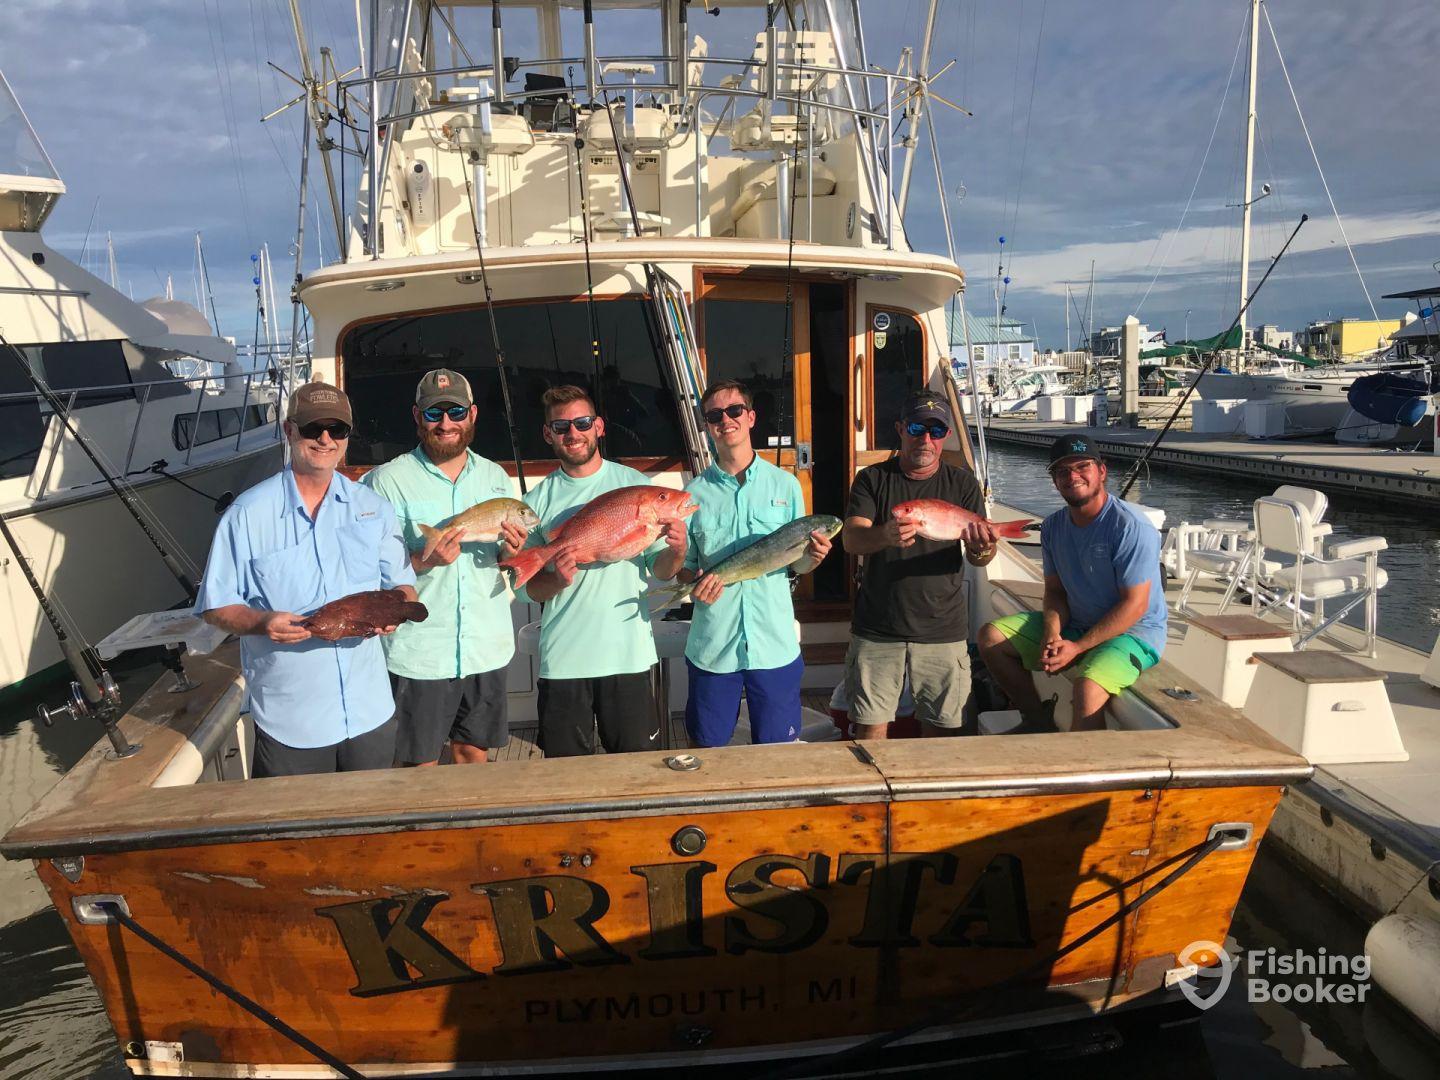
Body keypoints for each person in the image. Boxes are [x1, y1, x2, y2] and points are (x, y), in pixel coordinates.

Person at [196, 382, 417, 776]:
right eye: (313, 428)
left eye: (337, 429)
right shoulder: (247, 514)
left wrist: (394, 612)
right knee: (297, 836)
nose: (325, 439)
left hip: (370, 713)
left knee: (369, 832)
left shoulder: (374, 509)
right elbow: (216, 606)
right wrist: (263, 623)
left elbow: (402, 585)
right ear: (289, 430)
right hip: (291, 723)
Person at [362, 369, 528, 767]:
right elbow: (368, 572)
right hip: (421, 652)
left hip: (485, 646)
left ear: (472, 414)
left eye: (455, 412)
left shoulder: (495, 477)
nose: (446, 424)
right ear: (417, 417)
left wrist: (513, 550)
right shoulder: (386, 482)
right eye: (434, 414)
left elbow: (507, 561)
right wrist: (423, 560)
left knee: (473, 753)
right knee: (417, 763)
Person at [520, 385, 688, 756]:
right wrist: (556, 578)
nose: (573, 433)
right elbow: (528, 589)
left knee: (636, 774)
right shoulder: (535, 502)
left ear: (599, 426)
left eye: (581, 423)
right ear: (548, 434)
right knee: (567, 779)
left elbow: (661, 570)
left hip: (626, 655)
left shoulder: (635, 485)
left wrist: (678, 551)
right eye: (561, 426)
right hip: (563, 660)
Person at [675, 380, 833, 746]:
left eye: (733, 411)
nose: (725, 420)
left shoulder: (787, 485)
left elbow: (797, 566)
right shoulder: (692, 495)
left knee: (778, 756)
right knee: (707, 751)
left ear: (750, 417)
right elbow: (686, 568)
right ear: (707, 425)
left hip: (773, 644)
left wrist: (813, 558)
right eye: (714, 415)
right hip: (714, 645)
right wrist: (695, 584)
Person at [977, 434, 1168, 732]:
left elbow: (1136, 605)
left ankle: (1085, 770)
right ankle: (1037, 722)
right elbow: (1055, 591)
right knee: (991, 638)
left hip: (1134, 633)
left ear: (1101, 471)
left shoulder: (1130, 527)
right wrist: (1052, 635)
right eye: (1062, 471)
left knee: (1088, 688)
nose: (1073, 476)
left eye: (1082, 467)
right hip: (1077, 623)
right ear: (1054, 480)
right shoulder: (1053, 526)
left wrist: (1077, 647)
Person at [841, 391, 996, 739]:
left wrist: (983, 549)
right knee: (869, 729)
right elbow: (852, 539)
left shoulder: (963, 484)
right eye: (916, 428)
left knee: (942, 733)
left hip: (943, 628)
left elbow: (978, 557)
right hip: (877, 628)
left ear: (945, 437)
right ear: (900, 429)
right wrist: (885, 535)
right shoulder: (872, 480)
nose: (925, 439)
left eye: (936, 431)